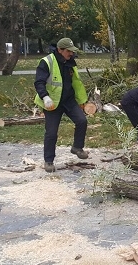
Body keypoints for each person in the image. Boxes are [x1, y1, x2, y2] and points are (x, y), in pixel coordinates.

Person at [34, 37, 89, 173]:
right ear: (60, 50)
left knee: (82, 121)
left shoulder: (70, 61)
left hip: (68, 100)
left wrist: (82, 101)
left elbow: (76, 82)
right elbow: (39, 82)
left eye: (72, 51)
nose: (71, 54)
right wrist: (45, 97)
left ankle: (77, 147)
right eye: (69, 51)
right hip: (52, 102)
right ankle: (49, 161)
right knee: (51, 133)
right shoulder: (47, 62)